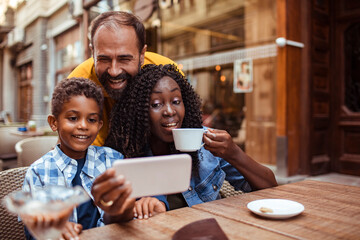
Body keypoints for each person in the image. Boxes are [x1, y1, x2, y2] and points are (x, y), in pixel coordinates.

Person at [105, 64, 278, 220]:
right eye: (156, 104)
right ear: (139, 112)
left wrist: (234, 153)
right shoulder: (127, 155)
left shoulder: (203, 141)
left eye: (176, 102)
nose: (169, 111)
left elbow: (270, 187)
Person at [22, 78, 135, 240]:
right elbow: (33, 229)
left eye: (92, 120)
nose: (83, 125)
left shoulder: (113, 160)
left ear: (100, 125)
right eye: (73, 118)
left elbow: (130, 216)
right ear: (54, 123)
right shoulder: (38, 172)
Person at [68, 11, 181, 146]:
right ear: (93, 53)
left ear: (142, 55)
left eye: (124, 59)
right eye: (104, 59)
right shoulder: (77, 85)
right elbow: (80, 150)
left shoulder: (167, 74)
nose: (114, 71)